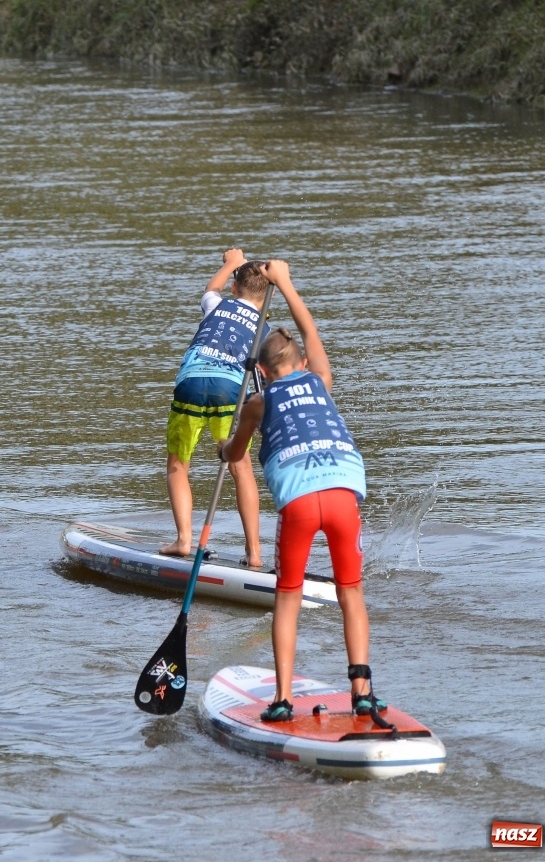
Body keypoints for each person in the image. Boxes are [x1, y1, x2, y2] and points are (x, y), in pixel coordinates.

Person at [218, 260, 385, 722]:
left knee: (287, 596)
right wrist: (287, 283)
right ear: (303, 365)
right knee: (351, 592)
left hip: (299, 500)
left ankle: (283, 699)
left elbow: (235, 454)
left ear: (264, 372)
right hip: (343, 495)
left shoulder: (258, 400)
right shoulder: (322, 382)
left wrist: (224, 449)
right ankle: (363, 693)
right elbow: (311, 332)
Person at [161, 248, 269, 568]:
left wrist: (231, 263)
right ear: (264, 298)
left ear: (234, 289)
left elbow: (210, 289)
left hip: (191, 381)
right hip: (229, 391)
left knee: (179, 464)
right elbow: (262, 378)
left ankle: (183, 541)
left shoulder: (217, 304)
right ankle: (254, 553)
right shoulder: (264, 327)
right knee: (241, 468)